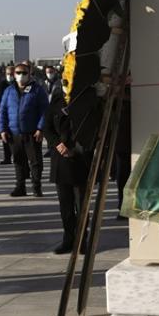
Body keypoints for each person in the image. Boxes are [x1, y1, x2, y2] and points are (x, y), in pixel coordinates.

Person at [43, 81, 91, 254]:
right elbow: (47, 128)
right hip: (61, 160)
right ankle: (68, 239)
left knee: (81, 204)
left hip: (80, 159)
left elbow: (91, 130)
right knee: (66, 206)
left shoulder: (85, 100)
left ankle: (82, 240)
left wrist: (75, 148)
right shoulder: (56, 102)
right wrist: (57, 144)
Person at [0, 62, 50, 197]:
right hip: (14, 133)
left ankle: (36, 187)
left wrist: (40, 128)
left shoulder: (37, 90)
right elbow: (3, 111)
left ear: (29, 74)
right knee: (18, 161)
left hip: (32, 133)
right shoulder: (9, 91)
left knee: (35, 162)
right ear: (14, 75)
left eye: (24, 73)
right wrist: (2, 129)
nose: (21, 75)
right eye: (18, 73)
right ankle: (20, 187)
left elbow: (45, 111)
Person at [0, 67, 14, 164]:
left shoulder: (18, 85)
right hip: (5, 115)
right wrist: (0, 114)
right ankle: (7, 157)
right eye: (8, 74)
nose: (10, 76)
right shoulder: (1, 85)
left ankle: (17, 157)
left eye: (11, 74)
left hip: (15, 116)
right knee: (5, 137)